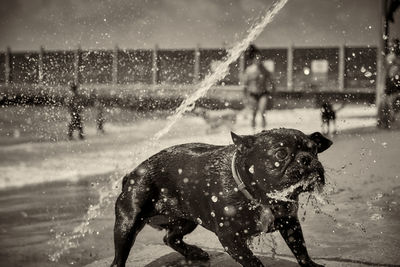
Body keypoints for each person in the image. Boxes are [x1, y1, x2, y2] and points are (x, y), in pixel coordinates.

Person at [243, 44, 275, 130]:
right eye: (257, 59)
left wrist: (272, 91)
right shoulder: (249, 70)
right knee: (253, 113)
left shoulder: (264, 70)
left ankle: (264, 131)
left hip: (263, 93)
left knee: (263, 112)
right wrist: (245, 96)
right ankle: (253, 131)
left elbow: (272, 81)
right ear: (253, 60)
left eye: (260, 59)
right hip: (253, 94)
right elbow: (245, 85)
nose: (259, 60)